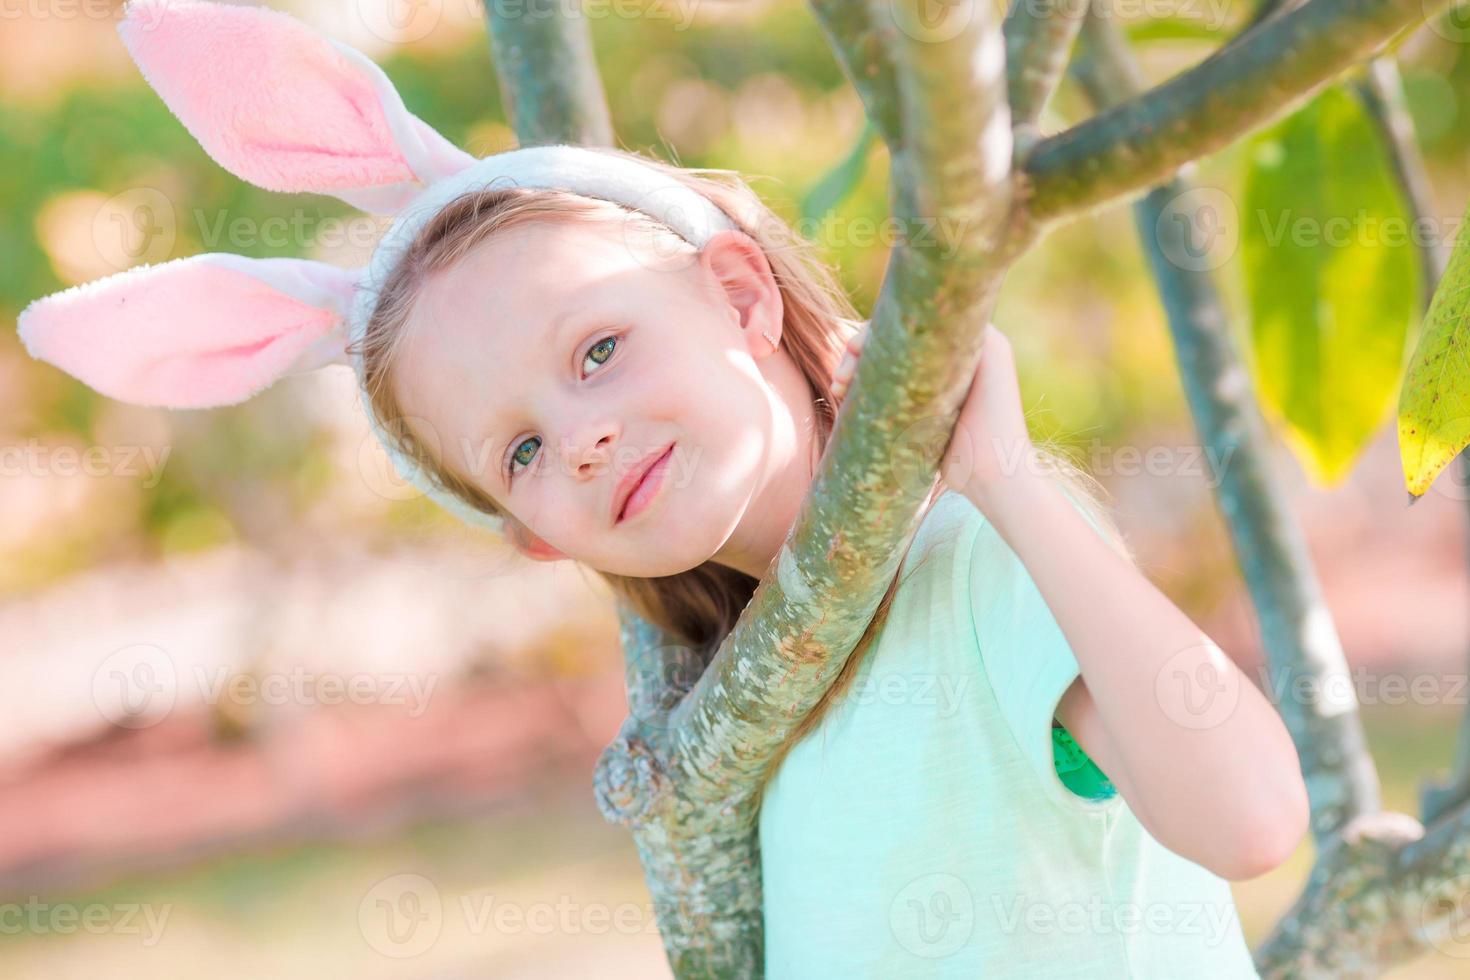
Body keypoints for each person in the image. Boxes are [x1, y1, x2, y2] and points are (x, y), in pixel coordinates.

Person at [17, 1, 1308, 975]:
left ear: (741, 295)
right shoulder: (730, 712)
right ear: (526, 537)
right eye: (518, 452)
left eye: (596, 349)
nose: (577, 438)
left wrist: (1015, 486)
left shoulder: (976, 556)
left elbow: (1250, 825)